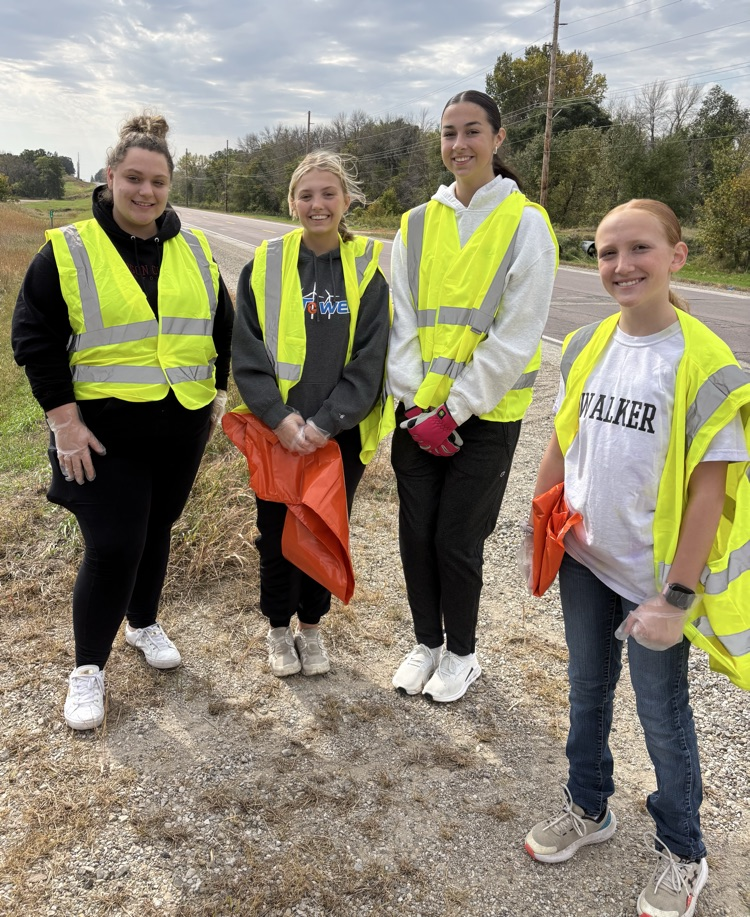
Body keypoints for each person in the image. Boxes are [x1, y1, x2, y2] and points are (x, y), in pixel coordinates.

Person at [524, 199, 750, 917]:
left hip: (655, 587)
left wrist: (675, 599)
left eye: (639, 249)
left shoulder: (705, 360)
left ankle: (685, 850)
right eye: (607, 252)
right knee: (586, 692)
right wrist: (542, 524)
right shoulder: (587, 343)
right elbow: (562, 441)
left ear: (677, 256)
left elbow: (707, 492)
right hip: (588, 564)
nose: (622, 265)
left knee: (662, 714)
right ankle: (589, 806)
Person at [12, 112, 234, 731]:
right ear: (110, 178)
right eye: (133, 178)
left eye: (158, 182)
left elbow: (222, 324)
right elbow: (35, 338)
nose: (146, 192)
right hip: (99, 433)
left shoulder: (193, 247)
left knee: (157, 527)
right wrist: (63, 423)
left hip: (180, 424)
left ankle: (142, 624)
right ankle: (88, 670)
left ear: (170, 187)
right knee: (113, 546)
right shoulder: (70, 249)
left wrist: (215, 394)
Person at [387, 89, 558, 703]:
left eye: (471, 132)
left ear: (498, 138)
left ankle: (461, 654)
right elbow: (400, 323)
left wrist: (453, 408)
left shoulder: (526, 223)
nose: (458, 145)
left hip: (484, 417)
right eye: (448, 133)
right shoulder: (414, 224)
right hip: (415, 415)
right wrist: (414, 405)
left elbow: (516, 336)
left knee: (456, 539)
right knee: (416, 534)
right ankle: (426, 644)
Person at [231, 150, 390, 678]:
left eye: (328, 194)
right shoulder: (266, 263)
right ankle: (278, 629)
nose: (317, 204)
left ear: (346, 201)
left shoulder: (367, 269)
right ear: (292, 203)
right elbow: (247, 350)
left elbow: (371, 359)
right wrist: (280, 419)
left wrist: (325, 424)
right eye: (306, 195)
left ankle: (313, 629)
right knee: (276, 532)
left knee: (323, 530)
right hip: (278, 432)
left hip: (336, 434)